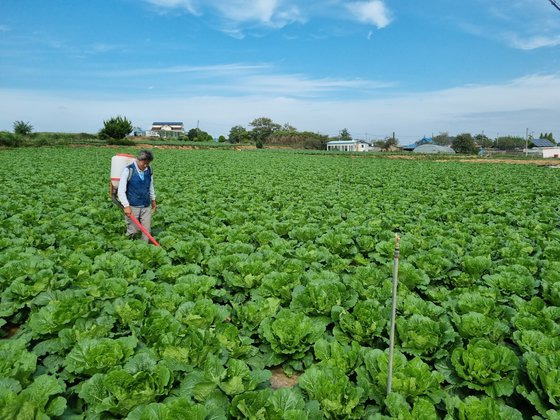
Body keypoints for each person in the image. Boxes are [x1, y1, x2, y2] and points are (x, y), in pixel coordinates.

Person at [117, 149, 157, 242]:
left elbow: (150, 186)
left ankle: (145, 248)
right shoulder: (129, 170)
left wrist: (153, 200)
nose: (146, 165)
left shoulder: (149, 170)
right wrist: (126, 206)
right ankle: (128, 247)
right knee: (133, 229)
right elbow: (121, 190)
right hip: (132, 205)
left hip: (146, 205)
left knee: (147, 230)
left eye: (148, 163)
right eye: (144, 163)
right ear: (138, 160)